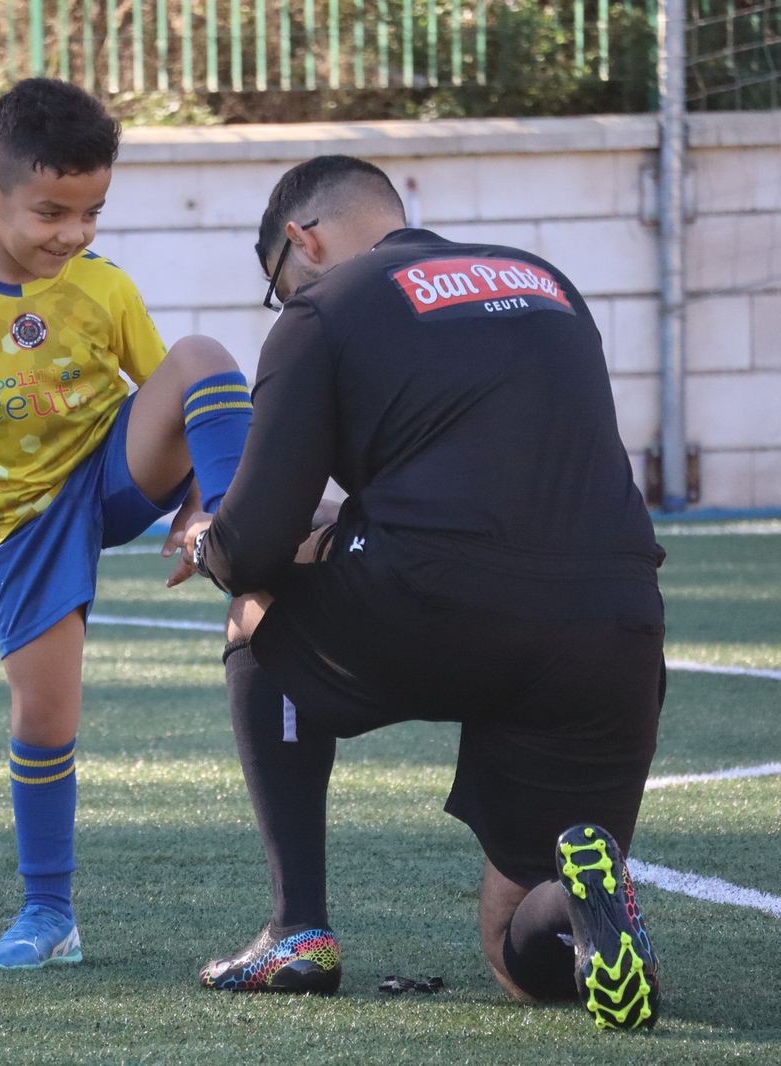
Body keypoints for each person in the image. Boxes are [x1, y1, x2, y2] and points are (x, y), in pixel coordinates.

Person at [182, 155, 665, 1031]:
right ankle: (585, 901)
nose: (283, 302)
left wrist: (207, 542)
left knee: (255, 610)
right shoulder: (545, 280)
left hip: (439, 602)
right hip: (613, 623)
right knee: (516, 949)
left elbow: (253, 545)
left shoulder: (322, 310)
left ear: (304, 239)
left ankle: (298, 931)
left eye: (278, 286)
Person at [0, 78, 251, 971]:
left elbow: (178, 392)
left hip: (115, 472)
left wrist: (197, 499)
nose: (74, 234)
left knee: (204, 355)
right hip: (26, 516)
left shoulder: (103, 286)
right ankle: (50, 914)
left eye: (92, 213)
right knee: (44, 719)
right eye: (52, 213)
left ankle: (234, 520)